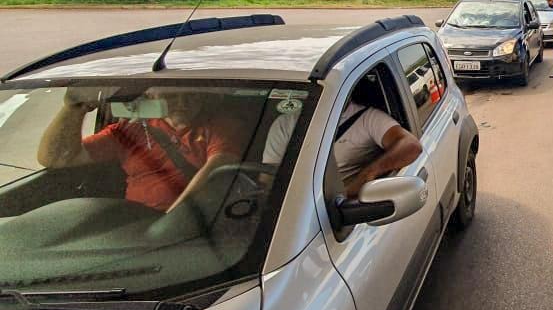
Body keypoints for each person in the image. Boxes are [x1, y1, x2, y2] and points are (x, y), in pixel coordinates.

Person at [37, 86, 242, 212]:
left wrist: (170, 224)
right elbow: (56, 159)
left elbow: (217, 171)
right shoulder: (128, 130)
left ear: (204, 97)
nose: (182, 103)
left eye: (191, 95)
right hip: (134, 223)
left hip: (186, 225)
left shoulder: (219, 126)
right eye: (171, 97)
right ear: (152, 96)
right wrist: (74, 107)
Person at [263, 72, 422, 198]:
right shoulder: (285, 123)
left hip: (338, 208)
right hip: (294, 208)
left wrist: (369, 173)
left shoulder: (369, 118)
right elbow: (268, 178)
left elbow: (411, 146)